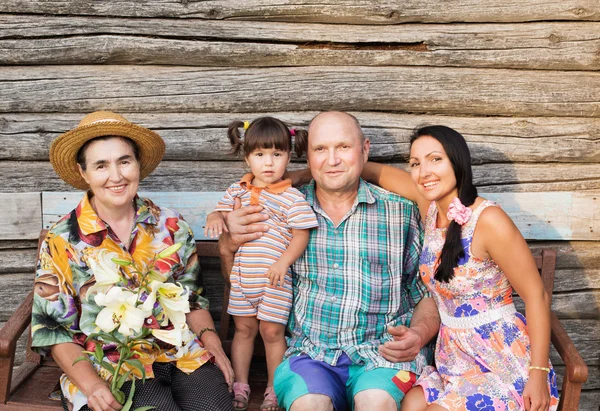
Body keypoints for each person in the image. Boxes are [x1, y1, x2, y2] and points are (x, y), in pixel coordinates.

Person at [219, 111, 440, 411]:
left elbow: (425, 292)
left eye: (343, 147)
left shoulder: (399, 212)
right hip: (308, 356)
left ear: (365, 150)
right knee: (310, 406)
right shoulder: (281, 212)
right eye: (321, 149)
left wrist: (418, 334)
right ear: (307, 157)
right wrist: (226, 247)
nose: (332, 159)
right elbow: (243, 274)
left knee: (375, 403)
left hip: (383, 355)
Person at [31, 111, 234, 411]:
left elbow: (192, 302)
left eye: (124, 161)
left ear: (138, 164)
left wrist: (212, 342)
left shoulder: (171, 225)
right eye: (101, 165)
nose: (116, 176)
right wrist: (92, 386)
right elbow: (53, 330)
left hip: (182, 355)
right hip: (111, 365)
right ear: (84, 173)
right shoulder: (62, 240)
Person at [362, 125, 559, 410]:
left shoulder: (488, 220)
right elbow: (373, 172)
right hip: (453, 356)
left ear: (457, 161)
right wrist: (307, 174)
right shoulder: (430, 210)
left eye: (435, 159)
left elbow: (536, 296)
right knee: (408, 405)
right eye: (415, 164)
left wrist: (538, 375)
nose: (423, 171)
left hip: (499, 357)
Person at [205, 117, 318, 411]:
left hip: (274, 279)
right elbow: (217, 212)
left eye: (277, 154)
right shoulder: (237, 190)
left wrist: (283, 262)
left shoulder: (292, 197)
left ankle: (273, 387)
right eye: (259, 155)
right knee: (243, 331)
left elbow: (301, 234)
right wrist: (215, 219)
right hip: (242, 279)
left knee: (272, 333)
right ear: (247, 157)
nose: (268, 163)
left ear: (288, 157)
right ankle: (240, 385)